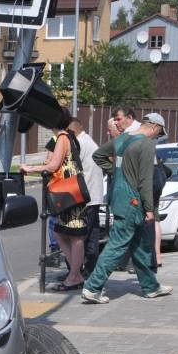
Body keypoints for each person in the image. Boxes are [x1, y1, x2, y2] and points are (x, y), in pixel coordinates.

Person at [81, 113, 172, 303]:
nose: (157, 137)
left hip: (119, 196)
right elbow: (145, 180)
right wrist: (149, 209)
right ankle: (92, 287)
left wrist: (114, 171)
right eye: (159, 133)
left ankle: (151, 286)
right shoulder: (146, 144)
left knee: (140, 244)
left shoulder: (122, 138)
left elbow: (98, 155)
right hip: (133, 200)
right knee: (117, 243)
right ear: (154, 127)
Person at [21, 111, 88, 291]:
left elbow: (53, 165)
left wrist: (30, 168)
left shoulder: (62, 138)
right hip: (73, 192)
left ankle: (74, 276)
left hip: (69, 192)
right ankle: (76, 273)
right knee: (63, 233)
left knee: (74, 236)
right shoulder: (70, 136)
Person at [68, 118, 104, 276]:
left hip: (85, 198)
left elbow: (69, 168)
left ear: (72, 131)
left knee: (78, 237)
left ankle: (77, 273)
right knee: (92, 236)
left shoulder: (79, 143)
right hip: (94, 196)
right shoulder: (89, 141)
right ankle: (90, 271)